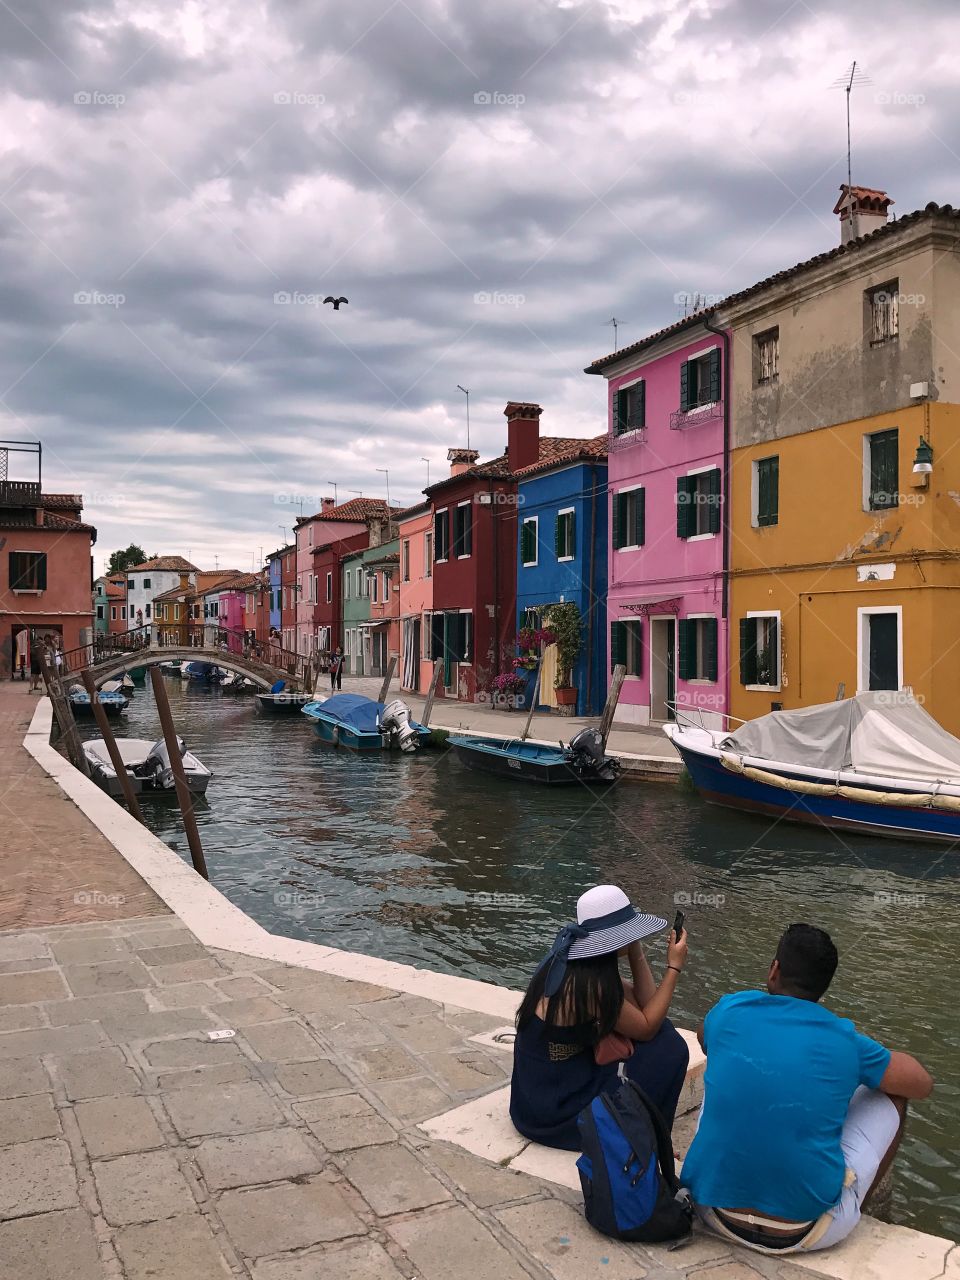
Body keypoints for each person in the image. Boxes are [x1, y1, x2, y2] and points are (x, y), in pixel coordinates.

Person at [681, 923, 934, 1254]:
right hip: (804, 1231)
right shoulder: (844, 1039)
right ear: (822, 989)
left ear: (774, 970)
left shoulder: (729, 1010)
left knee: (728, 1070)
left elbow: (704, 1038)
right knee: (894, 1096)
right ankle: (852, 1208)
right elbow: (921, 1084)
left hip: (713, 1212)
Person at [510, 884, 690, 1150]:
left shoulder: (573, 961)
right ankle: (648, 1138)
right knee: (669, 1050)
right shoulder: (591, 985)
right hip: (554, 1112)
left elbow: (646, 1003)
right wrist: (674, 967)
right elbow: (648, 1027)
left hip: (536, 1094)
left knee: (664, 1038)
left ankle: (649, 1131)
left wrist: (634, 949)